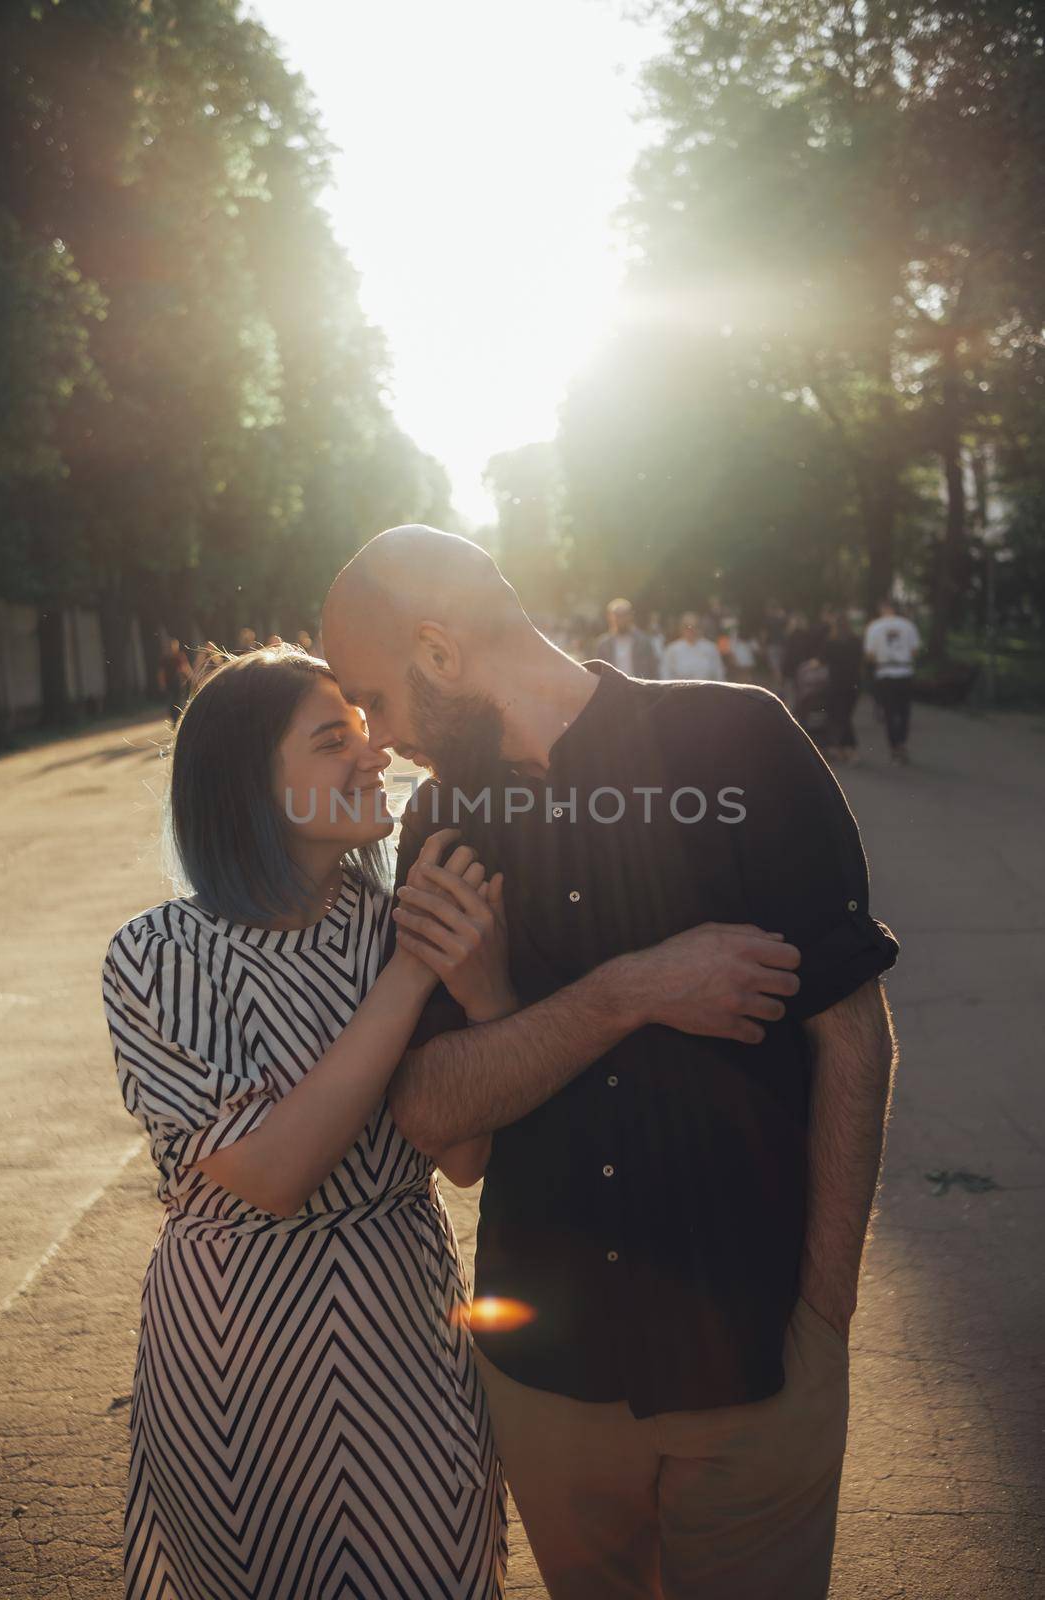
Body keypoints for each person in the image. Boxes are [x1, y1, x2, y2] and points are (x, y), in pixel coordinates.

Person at [321, 525, 901, 1600]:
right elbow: (437, 1118)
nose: (379, 738)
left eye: (375, 698)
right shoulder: (445, 821)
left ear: (439, 654)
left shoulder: (737, 743)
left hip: (755, 1357)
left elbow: (849, 1033)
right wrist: (628, 991)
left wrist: (824, 1315)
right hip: (545, 1381)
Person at [101, 643, 510, 1600]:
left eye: (365, 733)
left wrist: (487, 995)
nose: (374, 756)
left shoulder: (393, 919)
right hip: (239, 1337)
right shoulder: (160, 956)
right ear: (247, 786)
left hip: (404, 1317)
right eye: (334, 740)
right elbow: (275, 1174)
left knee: (436, 1569)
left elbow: (463, 1156)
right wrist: (413, 979)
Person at [864, 598, 921, 764]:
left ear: (882, 608)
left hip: (885, 672)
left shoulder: (874, 627)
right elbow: (915, 651)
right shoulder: (908, 626)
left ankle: (894, 746)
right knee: (904, 711)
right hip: (904, 672)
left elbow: (869, 655)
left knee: (889, 712)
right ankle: (902, 743)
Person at [824, 613, 864, 764]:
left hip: (836, 683)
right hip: (853, 683)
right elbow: (861, 659)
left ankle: (849, 750)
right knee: (846, 715)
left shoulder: (831, 642)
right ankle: (842, 748)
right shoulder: (856, 641)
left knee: (841, 716)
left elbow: (822, 660)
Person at [593, 598, 659, 677]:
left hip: (639, 687)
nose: (621, 619)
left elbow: (654, 670)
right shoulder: (603, 644)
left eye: (624, 614)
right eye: (617, 615)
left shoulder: (644, 641)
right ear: (610, 617)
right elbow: (597, 673)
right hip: (613, 688)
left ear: (631, 615)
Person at [660, 612, 726, 682]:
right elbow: (665, 675)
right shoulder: (672, 650)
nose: (691, 629)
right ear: (681, 628)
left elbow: (719, 674)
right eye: (687, 626)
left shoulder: (711, 648)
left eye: (695, 626)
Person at [156, 636, 192, 727]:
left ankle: (179, 720)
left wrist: (191, 677)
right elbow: (161, 672)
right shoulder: (164, 658)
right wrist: (162, 684)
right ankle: (174, 719)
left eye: (175, 645)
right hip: (169, 684)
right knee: (171, 703)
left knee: (179, 701)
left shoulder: (180, 656)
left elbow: (185, 668)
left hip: (179, 683)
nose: (173, 647)